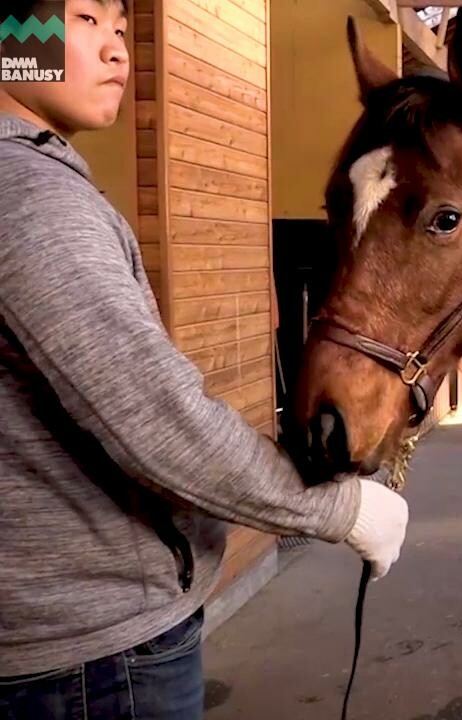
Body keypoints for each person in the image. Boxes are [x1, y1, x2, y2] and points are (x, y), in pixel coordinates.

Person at [0, 0, 409, 716]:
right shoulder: (33, 200)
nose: (119, 51)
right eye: (87, 20)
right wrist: (339, 509)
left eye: (124, 29)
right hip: (92, 663)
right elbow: (154, 420)